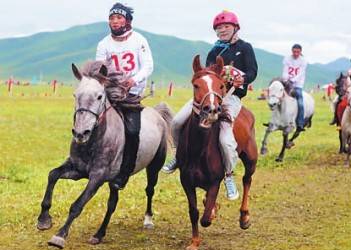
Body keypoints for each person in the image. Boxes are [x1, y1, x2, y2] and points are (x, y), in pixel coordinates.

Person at [162, 10, 258, 201]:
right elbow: (207, 73)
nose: (222, 30)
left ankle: (228, 175)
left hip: (231, 97)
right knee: (177, 122)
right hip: (209, 95)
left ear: (235, 28)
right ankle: (178, 157)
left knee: (225, 139)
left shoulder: (245, 48)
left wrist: (241, 78)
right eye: (219, 28)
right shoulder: (215, 51)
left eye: (226, 27)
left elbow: (253, 71)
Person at [96, 2, 154, 190]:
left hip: (131, 95)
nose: (115, 21)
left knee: (131, 131)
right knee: (89, 119)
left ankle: (125, 172)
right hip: (110, 92)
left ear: (127, 20)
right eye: (112, 18)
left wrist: (133, 80)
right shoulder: (103, 44)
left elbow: (148, 66)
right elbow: (100, 68)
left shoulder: (139, 40)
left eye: (119, 18)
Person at [282, 44, 308, 131]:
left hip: (297, 85)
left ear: (300, 52)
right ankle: (274, 120)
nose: (296, 53)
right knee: (276, 98)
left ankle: (300, 123)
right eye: (294, 51)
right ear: (291, 51)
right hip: (287, 83)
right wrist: (286, 79)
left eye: (297, 52)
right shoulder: (287, 59)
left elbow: (301, 74)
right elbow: (285, 70)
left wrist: (292, 80)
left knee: (300, 102)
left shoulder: (303, 61)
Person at [329, 55, 351, 125]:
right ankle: (335, 117)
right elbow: (347, 80)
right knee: (335, 101)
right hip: (349, 89)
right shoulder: (350, 70)